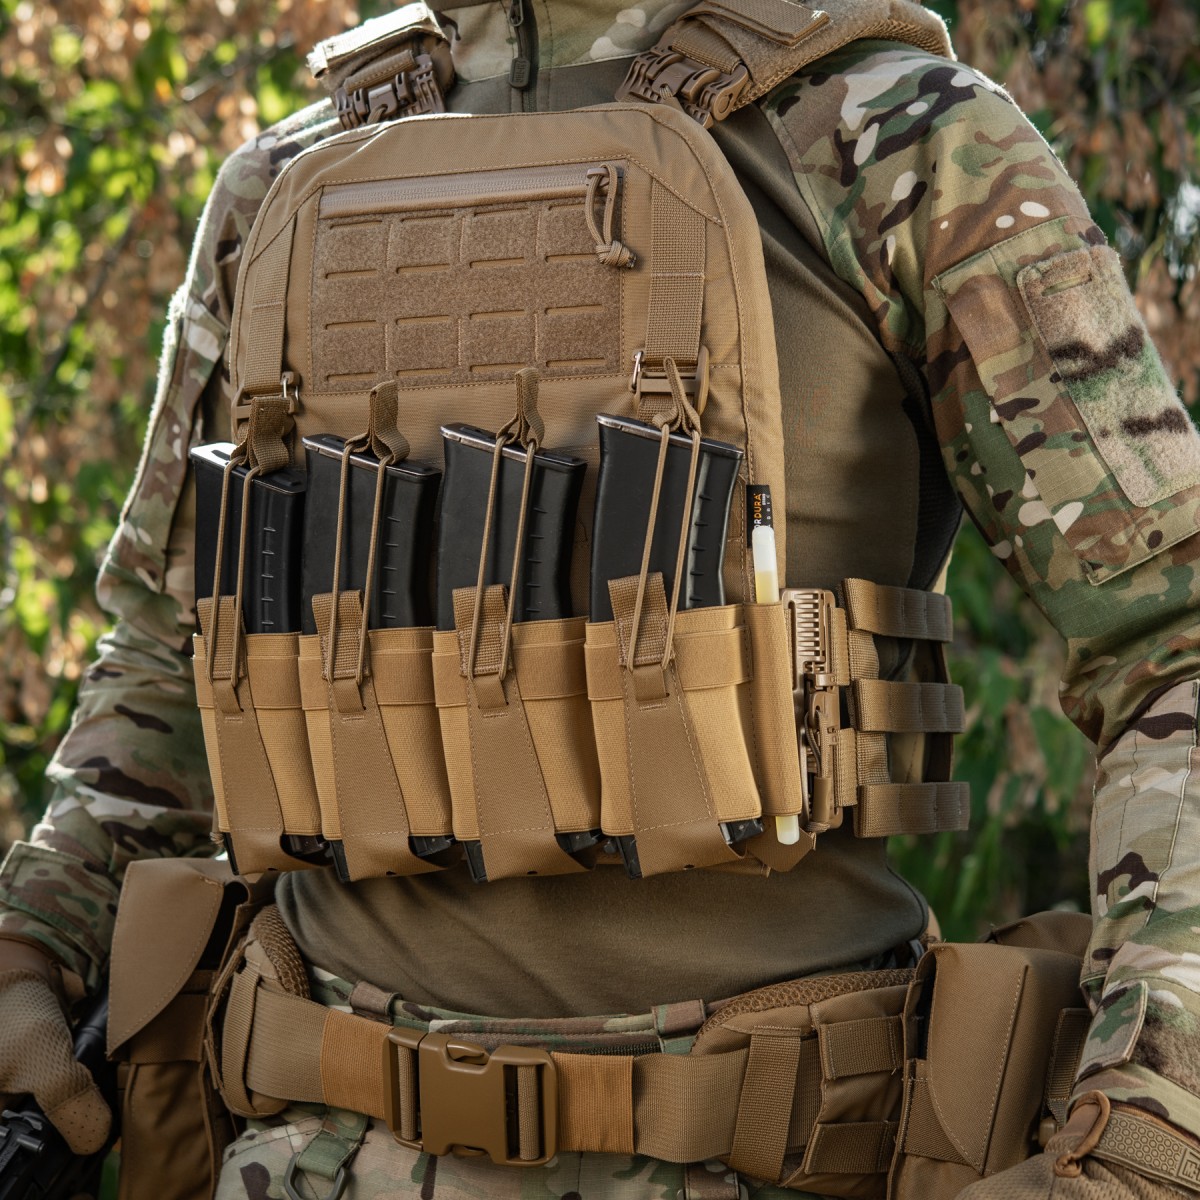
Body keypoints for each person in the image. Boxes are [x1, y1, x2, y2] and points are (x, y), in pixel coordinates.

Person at [2, 2, 1199, 1197]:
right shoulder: (281, 184)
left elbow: (1170, 635)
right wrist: (33, 943)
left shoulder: (896, 142)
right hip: (313, 1156)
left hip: (780, 1148)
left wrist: (1151, 1126)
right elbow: (170, 651)